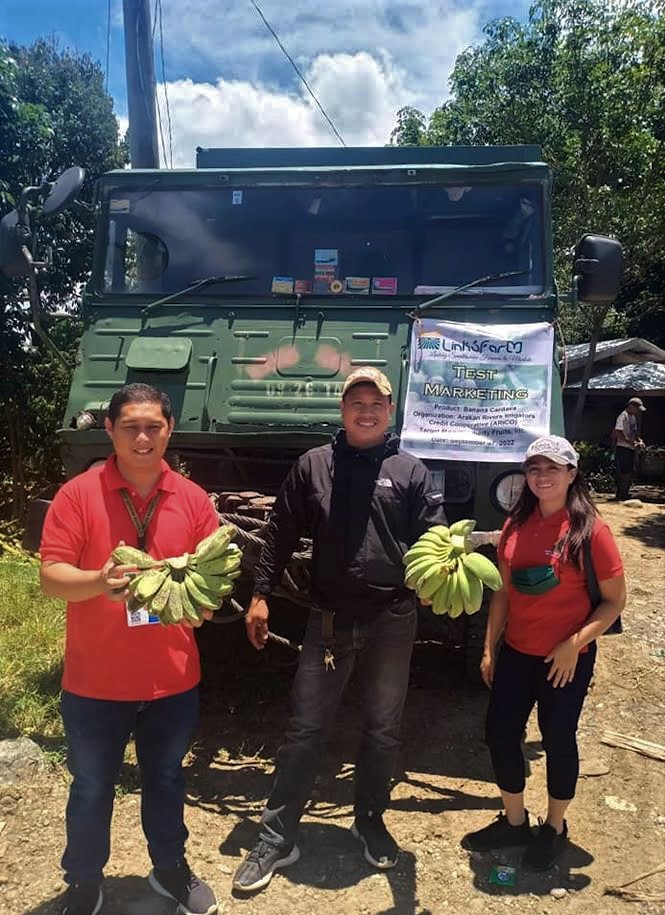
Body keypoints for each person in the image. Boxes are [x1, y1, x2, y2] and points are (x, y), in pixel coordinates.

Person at [232, 367, 447, 893]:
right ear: (342, 409)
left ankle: (369, 822)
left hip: (392, 621)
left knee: (382, 728)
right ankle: (277, 837)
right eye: (357, 401)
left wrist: (437, 576)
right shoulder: (314, 466)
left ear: (390, 412)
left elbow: (436, 537)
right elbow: (280, 531)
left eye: (377, 402)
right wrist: (259, 595)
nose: (366, 410)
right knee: (305, 728)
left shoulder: (412, 471)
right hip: (327, 620)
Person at [40, 383, 219, 915]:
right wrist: (99, 581)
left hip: (172, 680)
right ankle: (84, 882)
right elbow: (51, 576)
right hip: (96, 681)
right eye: (130, 427)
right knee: (92, 786)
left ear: (169, 430)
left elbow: (209, 587)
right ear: (111, 431)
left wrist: (203, 605)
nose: (142, 437)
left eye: (153, 427)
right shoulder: (79, 494)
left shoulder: (192, 498)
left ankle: (170, 871)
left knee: (166, 779)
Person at [461, 435, 626, 870]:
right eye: (534, 468)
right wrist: (488, 648)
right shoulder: (516, 524)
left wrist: (575, 644)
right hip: (517, 651)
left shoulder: (592, 531)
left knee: (557, 740)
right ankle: (515, 822)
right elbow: (503, 593)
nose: (542, 476)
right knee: (499, 734)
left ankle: (554, 828)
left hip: (564, 659)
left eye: (553, 467)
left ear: (572, 474)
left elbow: (614, 601)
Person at [613, 397, 646, 501]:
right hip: (623, 448)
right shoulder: (623, 416)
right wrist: (630, 442)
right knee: (624, 472)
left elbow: (635, 432)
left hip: (630, 448)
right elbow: (618, 432)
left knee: (629, 471)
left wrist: (639, 441)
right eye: (637, 408)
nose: (637, 411)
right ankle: (620, 494)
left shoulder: (633, 417)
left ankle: (625, 493)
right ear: (631, 406)